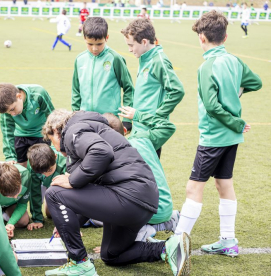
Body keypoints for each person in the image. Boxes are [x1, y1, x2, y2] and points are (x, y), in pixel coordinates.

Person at [42, 110, 190, 276]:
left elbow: (101, 152)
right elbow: (86, 193)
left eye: (50, 140)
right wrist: (68, 222)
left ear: (55, 130)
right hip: (142, 203)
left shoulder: (73, 130)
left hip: (127, 197)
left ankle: (79, 263)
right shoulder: (93, 129)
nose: (53, 147)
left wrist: (71, 180)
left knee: (54, 192)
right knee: (112, 254)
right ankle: (167, 247)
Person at [174, 10, 262, 257]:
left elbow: (212, 106)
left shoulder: (206, 66)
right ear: (225, 37)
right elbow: (256, 82)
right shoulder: (234, 60)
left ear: (201, 38)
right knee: (224, 184)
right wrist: (235, 95)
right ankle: (228, 240)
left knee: (194, 189)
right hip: (231, 138)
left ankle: (176, 244)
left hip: (213, 137)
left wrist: (234, 121)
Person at [121, 18, 184, 157]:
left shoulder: (158, 60)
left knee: (148, 175)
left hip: (150, 130)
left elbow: (177, 90)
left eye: (131, 45)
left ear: (144, 42)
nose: (129, 49)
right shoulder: (145, 58)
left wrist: (157, 117)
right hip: (140, 128)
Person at [72, 17, 135, 132]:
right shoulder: (80, 59)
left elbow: (128, 88)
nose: (94, 48)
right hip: (85, 119)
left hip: (109, 121)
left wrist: (127, 119)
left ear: (107, 38)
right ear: (84, 38)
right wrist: (75, 114)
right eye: (90, 44)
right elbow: (76, 90)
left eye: (99, 44)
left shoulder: (115, 58)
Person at [0, 83, 54, 168]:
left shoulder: (39, 93)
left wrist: (56, 140)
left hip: (40, 134)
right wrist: (10, 156)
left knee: (41, 166)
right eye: (9, 112)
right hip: (20, 135)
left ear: (19, 96)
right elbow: (7, 132)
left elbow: (51, 117)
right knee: (20, 166)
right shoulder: (7, 108)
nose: (12, 114)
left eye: (13, 109)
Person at [27, 143, 67, 230]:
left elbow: (72, 191)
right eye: (41, 172)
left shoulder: (65, 162)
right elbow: (34, 192)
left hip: (63, 187)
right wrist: (37, 219)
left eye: (49, 170)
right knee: (50, 214)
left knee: (55, 212)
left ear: (55, 157)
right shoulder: (32, 166)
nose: (46, 174)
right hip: (46, 185)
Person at [0, 163, 31, 238]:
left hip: (10, 205)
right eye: (9, 196)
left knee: (23, 221)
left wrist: (10, 224)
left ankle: (3, 215)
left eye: (18, 192)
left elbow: (22, 204)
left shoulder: (26, 175)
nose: (16, 197)